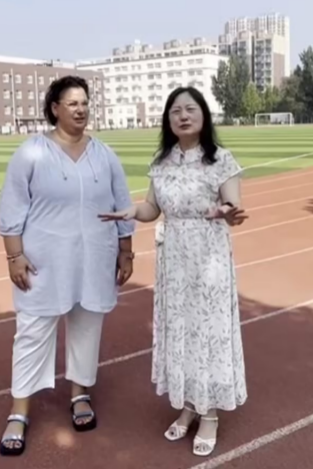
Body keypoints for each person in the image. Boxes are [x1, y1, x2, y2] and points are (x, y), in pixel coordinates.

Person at [98, 86, 248, 457]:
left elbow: (233, 206)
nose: (183, 116)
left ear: (204, 115)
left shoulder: (220, 160)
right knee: (181, 330)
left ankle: (209, 413)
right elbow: (152, 208)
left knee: (207, 331)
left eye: (190, 109)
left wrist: (226, 212)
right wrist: (133, 212)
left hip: (209, 258)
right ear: (168, 120)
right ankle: (189, 404)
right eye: (175, 110)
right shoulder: (162, 162)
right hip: (174, 260)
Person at [0, 75, 137, 457]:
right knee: (32, 332)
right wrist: (14, 256)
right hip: (43, 262)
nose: (80, 109)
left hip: (94, 258)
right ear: (55, 108)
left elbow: (122, 203)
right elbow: (11, 206)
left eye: (85, 102)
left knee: (87, 326)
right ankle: (19, 412)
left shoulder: (104, 155)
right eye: (72, 103)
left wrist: (126, 251)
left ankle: (80, 394)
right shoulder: (32, 152)